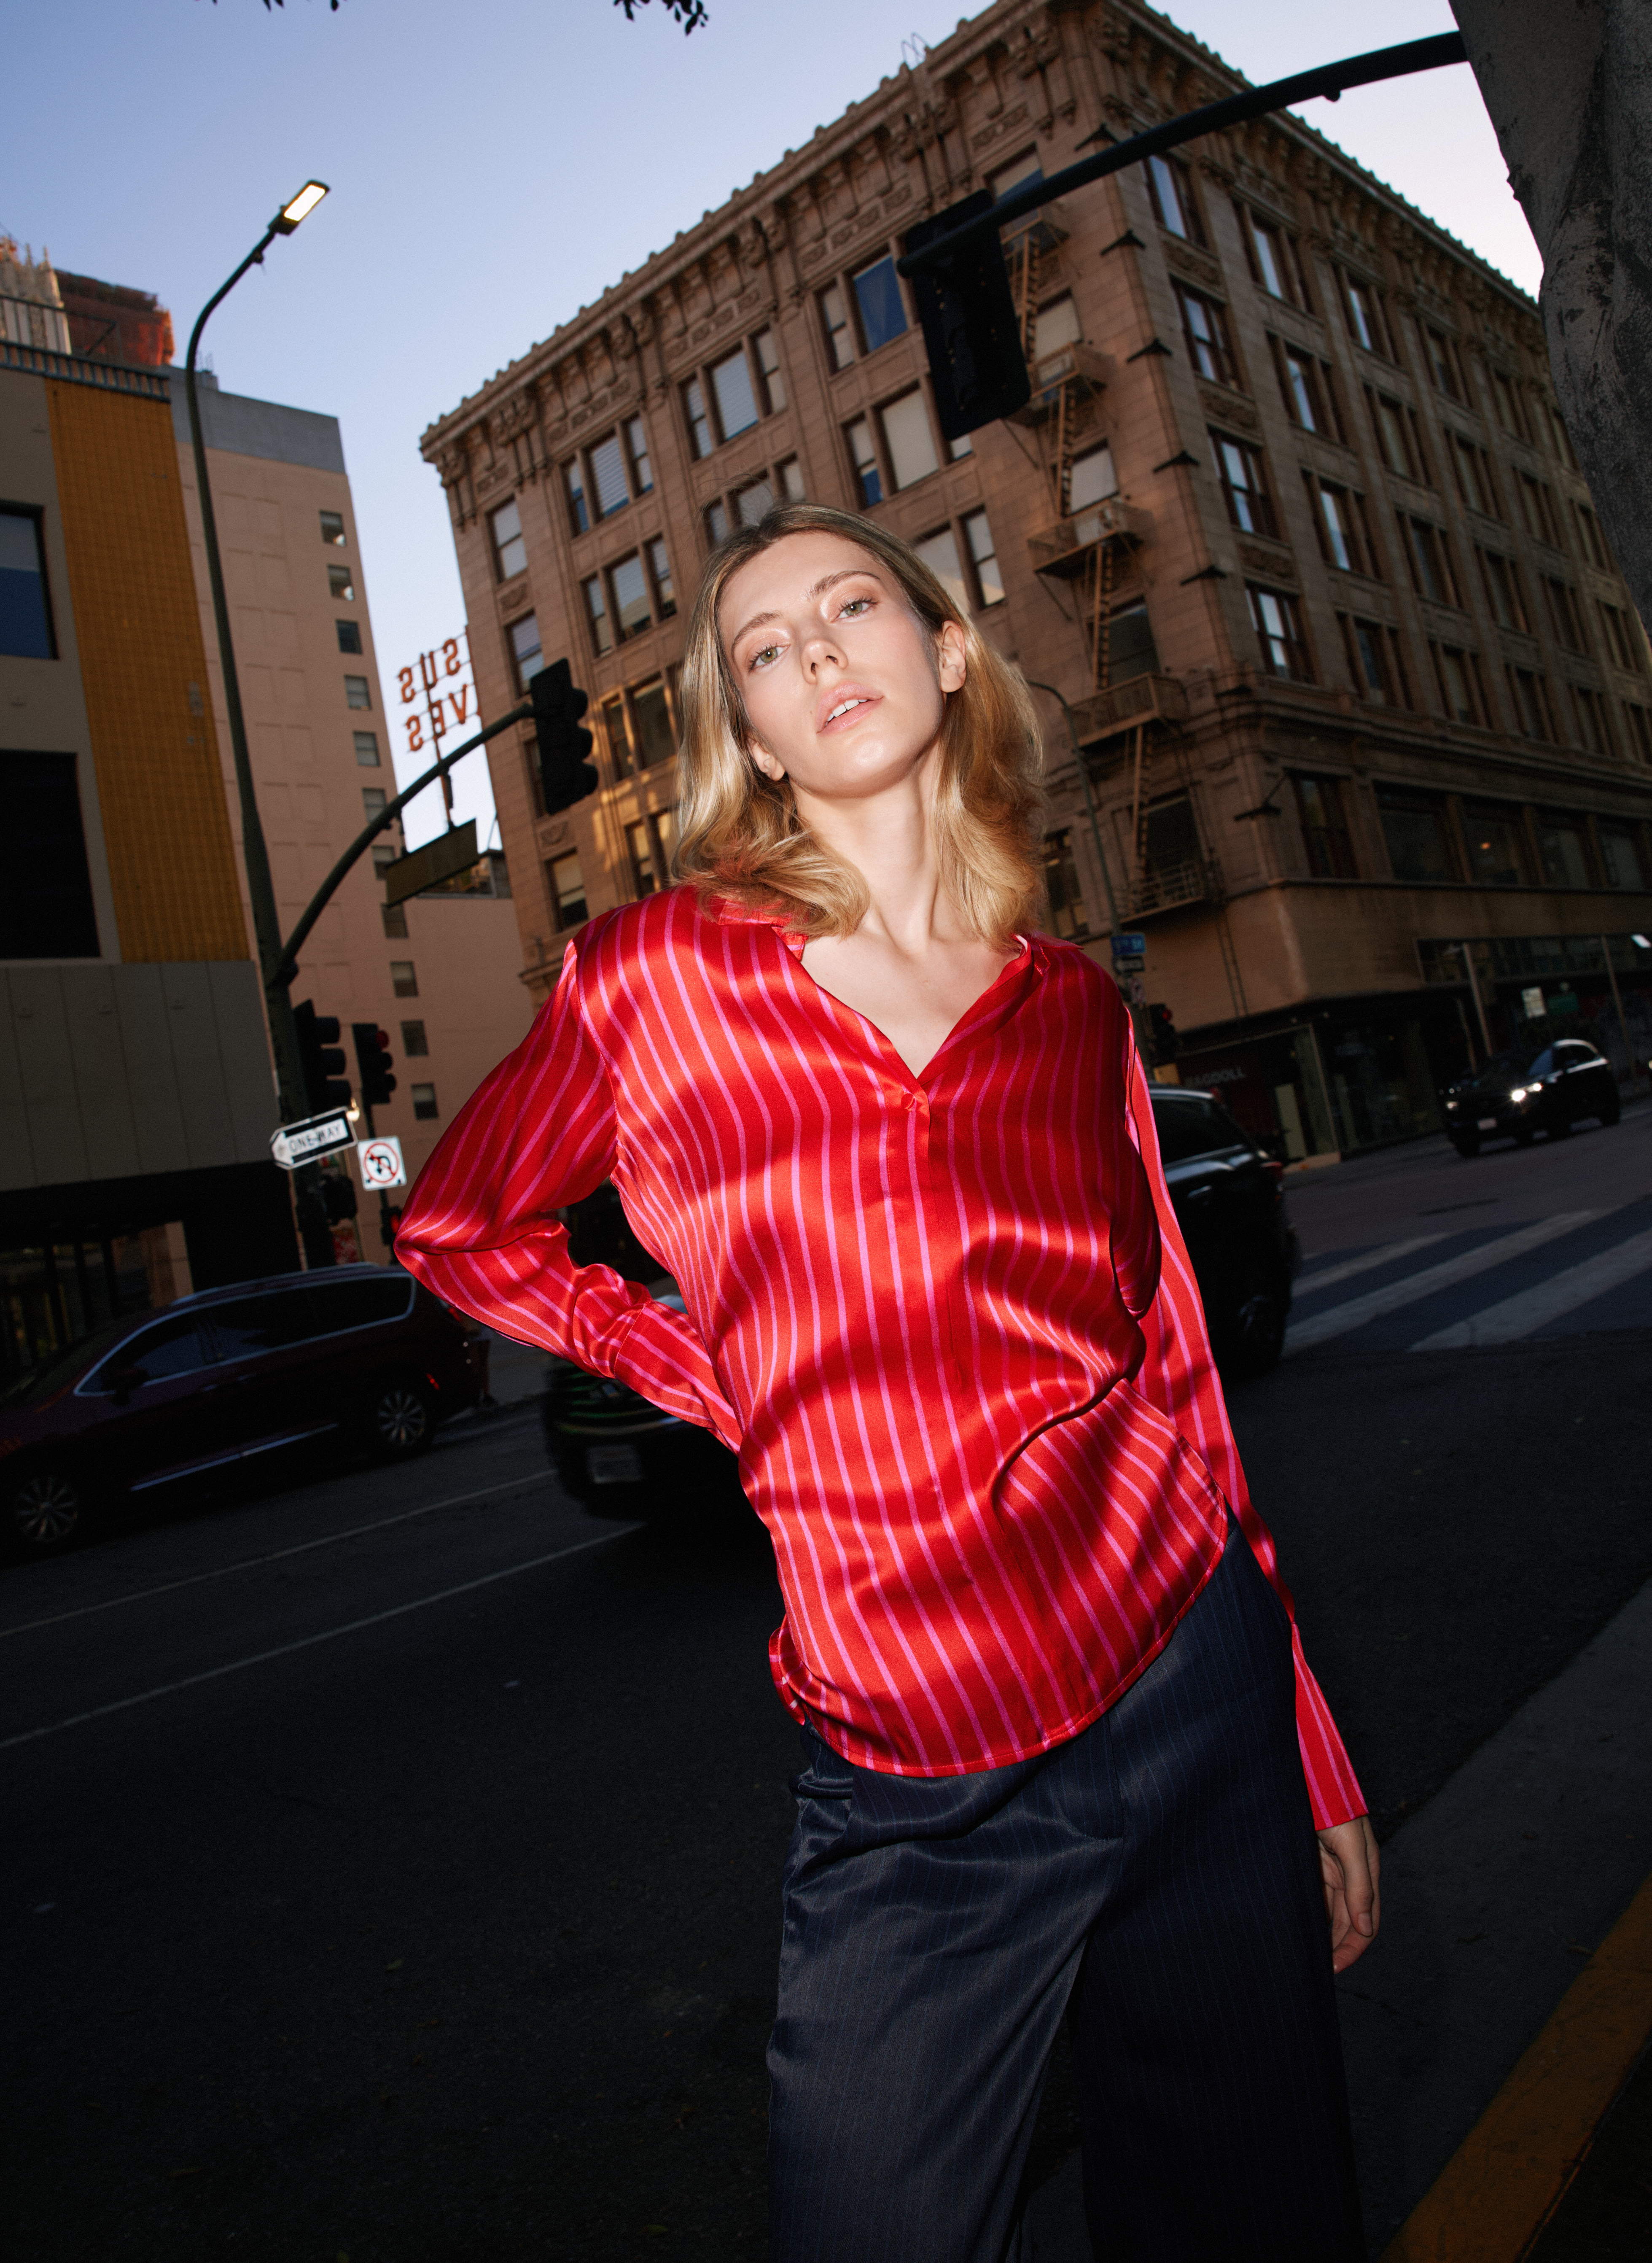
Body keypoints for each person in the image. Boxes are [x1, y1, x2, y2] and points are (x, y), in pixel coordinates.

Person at [395, 502, 1378, 2262]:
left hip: (1189, 1674)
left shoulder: (1071, 1005)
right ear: (752, 742)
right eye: (762, 651)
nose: (813, 651)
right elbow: (463, 1228)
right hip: (919, 1768)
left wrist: (1304, 1757)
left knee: (1252, 2213)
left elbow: (1173, 1376)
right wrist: (714, 1372)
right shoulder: (655, 981)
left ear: (943, 651)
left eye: (851, 605)